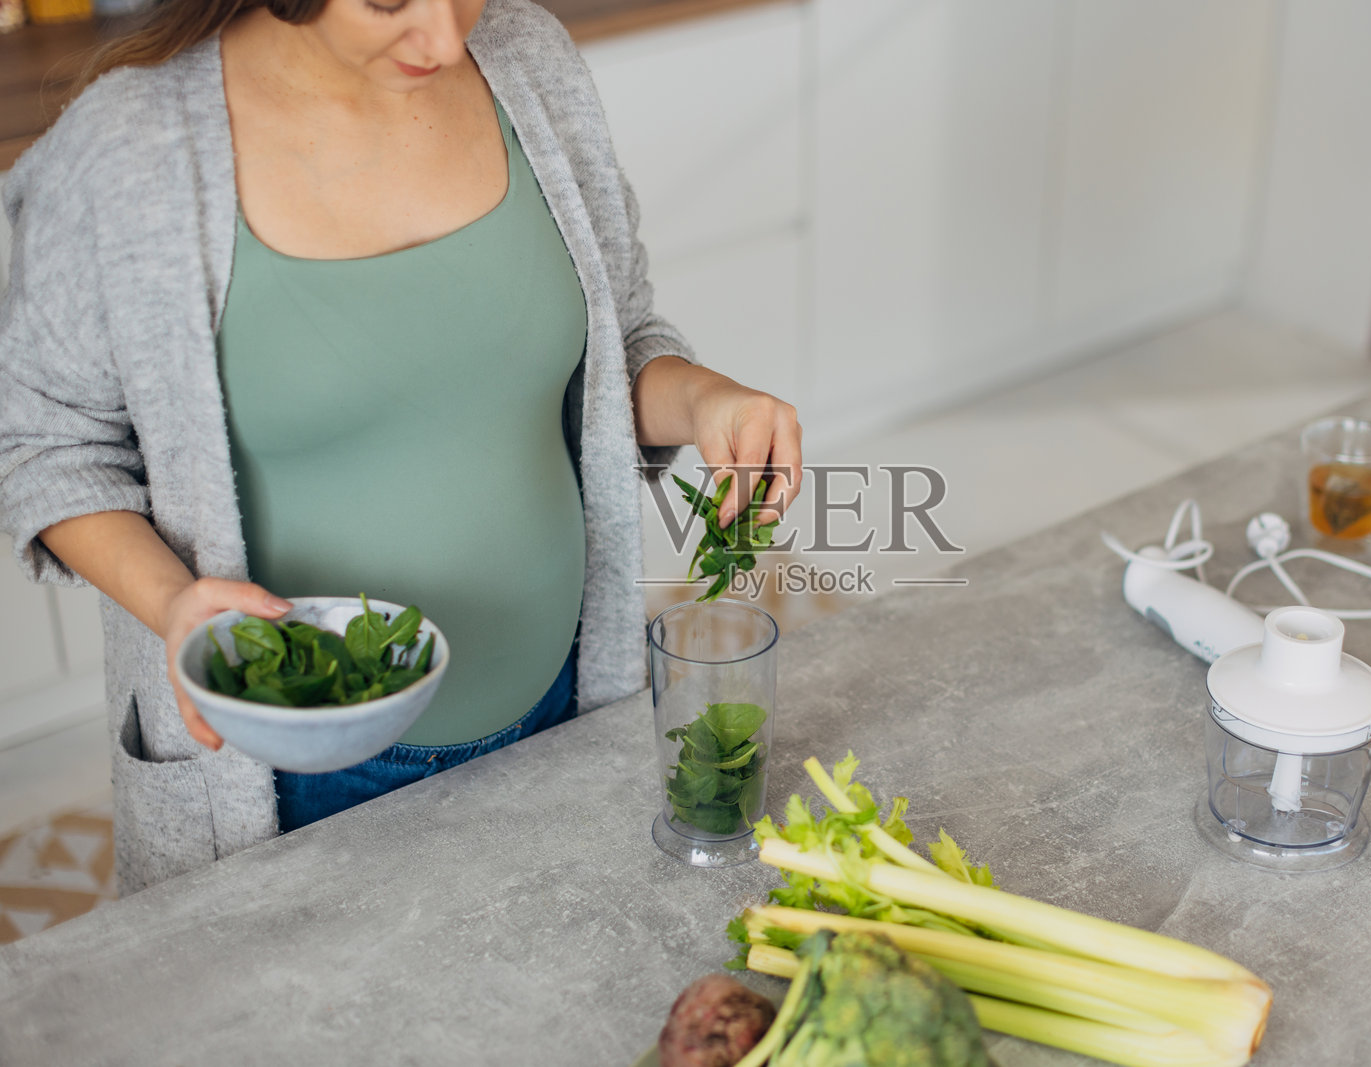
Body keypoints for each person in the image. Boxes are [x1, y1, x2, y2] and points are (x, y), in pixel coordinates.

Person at [0, 0, 802, 894]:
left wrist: (705, 401)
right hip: (297, 772)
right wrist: (174, 601)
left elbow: (615, 343)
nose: (445, 37)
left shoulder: (526, 61)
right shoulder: (128, 148)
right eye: (388, 1)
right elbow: (43, 443)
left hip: (571, 696)